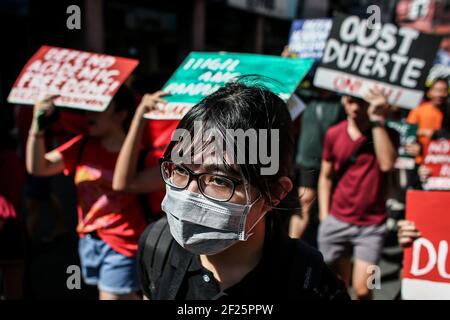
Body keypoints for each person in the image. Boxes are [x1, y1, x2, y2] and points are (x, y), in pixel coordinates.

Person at [137, 82, 349, 300]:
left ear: (275, 193)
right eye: (180, 169)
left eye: (219, 180)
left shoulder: (314, 287)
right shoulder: (156, 244)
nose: (188, 193)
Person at [25, 86, 148, 300]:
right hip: (89, 241)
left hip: (125, 243)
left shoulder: (139, 154)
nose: (90, 115)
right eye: (89, 108)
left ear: (121, 114)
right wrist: (37, 129)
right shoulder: (82, 145)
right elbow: (38, 167)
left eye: (99, 108)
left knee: (111, 297)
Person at [317, 88, 398, 300]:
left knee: (365, 289)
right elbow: (325, 176)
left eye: (360, 102)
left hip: (372, 226)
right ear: (343, 100)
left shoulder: (387, 134)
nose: (354, 107)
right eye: (350, 101)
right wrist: (324, 215)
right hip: (337, 221)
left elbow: (387, 164)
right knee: (336, 284)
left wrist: (377, 120)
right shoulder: (334, 133)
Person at [290, 88, 346, 243]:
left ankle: (328, 243)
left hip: (332, 161)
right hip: (308, 160)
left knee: (330, 204)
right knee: (304, 201)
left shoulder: (341, 103)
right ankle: (292, 246)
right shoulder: (305, 97)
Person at [405, 78, 449, 163]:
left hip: (443, 161)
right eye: (437, 90)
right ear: (429, 93)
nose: (440, 94)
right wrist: (423, 132)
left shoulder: (447, 111)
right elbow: (407, 131)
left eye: (444, 90)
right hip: (421, 159)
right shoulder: (418, 110)